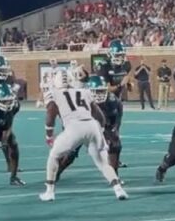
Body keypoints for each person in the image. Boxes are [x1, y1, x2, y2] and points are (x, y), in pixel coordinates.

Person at [40, 70, 127, 202]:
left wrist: (49, 135)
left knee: (54, 155)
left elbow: (51, 114)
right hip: (92, 126)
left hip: (73, 127)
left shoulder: (55, 93)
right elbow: (98, 114)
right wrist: (101, 129)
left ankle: (49, 191)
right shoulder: (83, 91)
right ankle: (118, 189)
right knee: (103, 163)